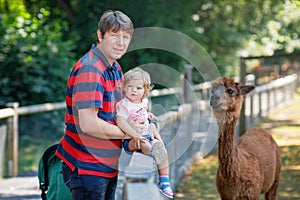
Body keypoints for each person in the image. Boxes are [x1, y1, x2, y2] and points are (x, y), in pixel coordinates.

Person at [55, 10, 135, 200]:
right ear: (100, 35)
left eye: (126, 37)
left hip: (107, 165)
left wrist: (145, 121)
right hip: (87, 166)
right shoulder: (91, 69)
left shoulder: (115, 67)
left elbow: (120, 110)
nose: (121, 43)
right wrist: (130, 133)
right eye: (114, 36)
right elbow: (89, 124)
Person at [116, 68, 174, 199]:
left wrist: (147, 115)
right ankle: (153, 151)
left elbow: (141, 114)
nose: (133, 90)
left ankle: (164, 181)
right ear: (124, 88)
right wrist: (134, 134)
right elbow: (121, 121)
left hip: (146, 134)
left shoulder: (144, 102)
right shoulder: (124, 105)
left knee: (162, 150)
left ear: (145, 91)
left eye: (138, 88)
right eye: (130, 86)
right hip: (130, 140)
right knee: (144, 144)